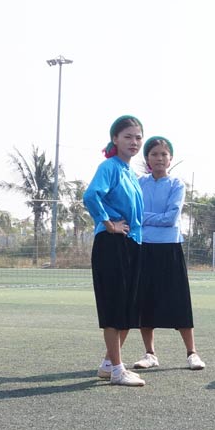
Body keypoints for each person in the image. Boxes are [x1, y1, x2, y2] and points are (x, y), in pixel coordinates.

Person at [130, 136, 205, 373]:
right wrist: (145, 218)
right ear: (147, 159)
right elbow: (134, 214)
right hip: (143, 248)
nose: (159, 158)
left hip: (170, 248)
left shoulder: (176, 185)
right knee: (145, 301)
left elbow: (171, 218)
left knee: (179, 301)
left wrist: (144, 217)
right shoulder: (138, 183)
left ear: (170, 158)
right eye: (154, 154)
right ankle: (150, 353)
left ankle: (192, 353)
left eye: (164, 154)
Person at [83, 115, 147, 387]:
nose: (134, 142)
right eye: (128, 137)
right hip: (112, 245)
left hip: (132, 243)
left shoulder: (130, 173)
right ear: (115, 139)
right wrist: (107, 223)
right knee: (114, 307)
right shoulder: (109, 166)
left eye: (137, 137)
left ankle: (109, 364)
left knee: (127, 309)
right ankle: (118, 370)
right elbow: (90, 195)